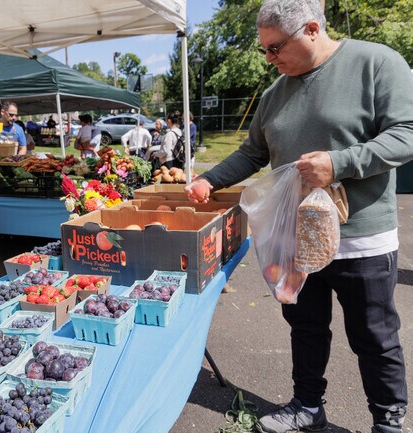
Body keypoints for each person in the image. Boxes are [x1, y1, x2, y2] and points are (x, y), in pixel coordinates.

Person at [185, 1, 412, 432]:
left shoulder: (376, 63)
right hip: (295, 238)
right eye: (264, 51)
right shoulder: (275, 94)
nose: (269, 60)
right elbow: (254, 151)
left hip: (361, 237)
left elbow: (406, 134)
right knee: (305, 328)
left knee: (375, 337)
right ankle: (308, 407)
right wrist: (209, 181)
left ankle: (388, 421)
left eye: (275, 49)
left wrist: (340, 163)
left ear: (311, 29)